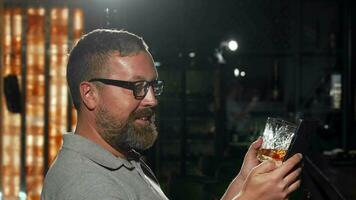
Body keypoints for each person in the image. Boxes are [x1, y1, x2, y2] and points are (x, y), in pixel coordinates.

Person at [41, 29, 302, 200]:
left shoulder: (122, 157)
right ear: (89, 94)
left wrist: (242, 184)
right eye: (137, 87)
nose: (152, 99)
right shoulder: (87, 188)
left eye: (154, 86)